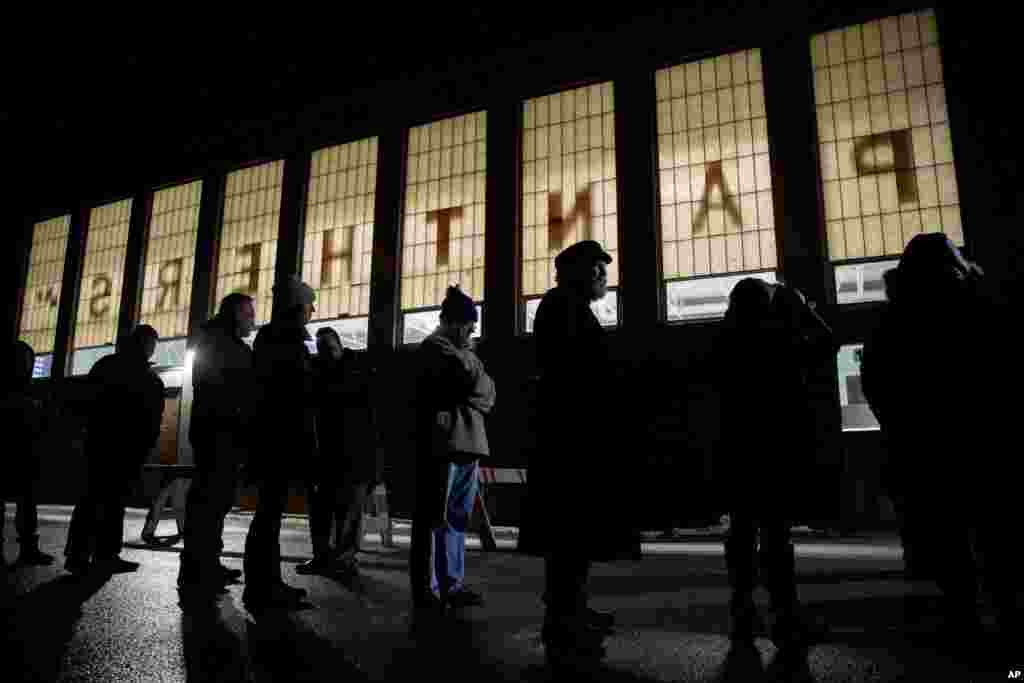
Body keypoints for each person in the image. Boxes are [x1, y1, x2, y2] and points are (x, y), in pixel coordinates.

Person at [860, 233, 1020, 653]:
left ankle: (963, 620)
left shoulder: (894, 318)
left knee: (947, 540)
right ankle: (1007, 624)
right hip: (984, 442)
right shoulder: (980, 305)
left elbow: (876, 380)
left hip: (921, 446)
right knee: (995, 535)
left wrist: (899, 425)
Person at [517, 240, 641, 668]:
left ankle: (571, 610)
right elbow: (580, 373)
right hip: (570, 440)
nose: (603, 277)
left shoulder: (563, 307)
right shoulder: (564, 309)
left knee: (572, 534)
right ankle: (564, 617)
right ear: (578, 273)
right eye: (597, 270)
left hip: (568, 437)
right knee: (570, 533)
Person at [716, 278, 834, 650]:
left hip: (736, 450)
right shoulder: (779, 339)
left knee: (741, 531)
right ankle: (785, 613)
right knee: (776, 536)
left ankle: (742, 608)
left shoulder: (725, 339)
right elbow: (829, 341)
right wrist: (800, 307)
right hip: (775, 450)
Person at [409, 285, 495, 613]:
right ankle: (429, 589)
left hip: (465, 444)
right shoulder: (433, 349)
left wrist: (474, 377)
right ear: (452, 322)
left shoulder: (458, 352)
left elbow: (489, 392)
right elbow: (470, 380)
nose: (473, 330)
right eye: (468, 324)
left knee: (455, 519)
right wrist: (474, 372)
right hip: (444, 445)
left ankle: (450, 585)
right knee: (435, 517)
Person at [241, 276, 317, 610]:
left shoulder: (274, 337)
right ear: (298, 307)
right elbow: (291, 395)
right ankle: (262, 587)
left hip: (275, 439)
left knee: (270, 515)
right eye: (309, 304)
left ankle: (267, 582)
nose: (313, 310)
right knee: (269, 515)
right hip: (278, 440)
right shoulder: (283, 339)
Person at [64, 325, 165, 574]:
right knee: (113, 503)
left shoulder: (105, 366)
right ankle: (105, 554)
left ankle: (78, 555)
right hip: (125, 449)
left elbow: (84, 405)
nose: (152, 348)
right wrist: (146, 446)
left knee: (91, 501)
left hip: (100, 445)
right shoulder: (146, 376)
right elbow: (150, 419)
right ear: (145, 344)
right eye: (151, 343)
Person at [177, 293, 256, 599]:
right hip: (220, 433)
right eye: (248, 313)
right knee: (210, 501)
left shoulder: (216, 342)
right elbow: (227, 393)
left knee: (215, 501)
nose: (253, 318)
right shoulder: (221, 346)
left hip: (219, 432)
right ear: (235, 315)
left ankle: (205, 562)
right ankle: (199, 567)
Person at [297, 328, 380, 578]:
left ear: (340, 347)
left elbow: (372, 420)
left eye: (329, 349)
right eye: (321, 349)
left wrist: (374, 464)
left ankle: (342, 560)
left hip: (352, 456)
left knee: (348, 513)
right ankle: (325, 558)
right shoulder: (319, 372)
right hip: (325, 456)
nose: (326, 354)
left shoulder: (357, 372)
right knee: (322, 512)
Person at [1, 340, 54, 568]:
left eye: (28, 361)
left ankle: (29, 549)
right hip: (9, 453)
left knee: (28, 504)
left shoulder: (28, 389)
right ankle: (26, 550)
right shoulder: (15, 391)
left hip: (26, 455)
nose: (26, 365)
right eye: (23, 361)